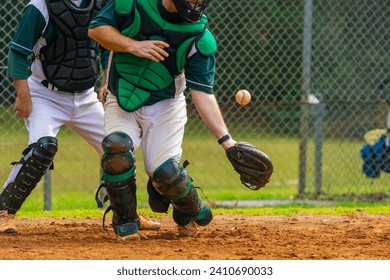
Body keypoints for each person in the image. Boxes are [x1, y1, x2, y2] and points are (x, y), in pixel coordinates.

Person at [0, 0, 159, 234]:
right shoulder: (41, 5)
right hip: (45, 94)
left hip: (85, 97)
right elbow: (18, 50)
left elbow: (107, 45)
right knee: (42, 148)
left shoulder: (100, 4)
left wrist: (107, 81)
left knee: (118, 149)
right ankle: (5, 212)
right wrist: (23, 93)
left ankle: (127, 213)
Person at [88, 0, 238, 240]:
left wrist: (227, 140)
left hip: (166, 107)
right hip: (121, 98)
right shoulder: (132, 4)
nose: (196, 4)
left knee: (166, 173)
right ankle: (126, 223)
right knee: (116, 149)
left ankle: (189, 211)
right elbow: (97, 30)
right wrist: (133, 46)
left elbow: (203, 94)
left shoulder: (199, 37)